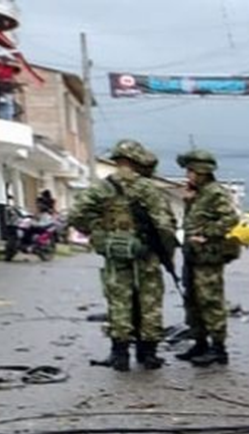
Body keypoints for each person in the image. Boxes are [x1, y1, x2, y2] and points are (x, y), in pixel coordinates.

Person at [66, 139, 178, 371]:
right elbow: (165, 225)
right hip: (146, 253)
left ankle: (120, 355)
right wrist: (166, 253)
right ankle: (148, 355)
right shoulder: (148, 188)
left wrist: (98, 231)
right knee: (149, 301)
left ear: (118, 161)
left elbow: (76, 215)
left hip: (115, 253)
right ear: (137, 161)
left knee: (119, 301)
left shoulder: (102, 187)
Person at [175, 149, 242, 367]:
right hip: (193, 256)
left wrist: (207, 233)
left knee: (210, 301)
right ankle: (200, 343)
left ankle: (218, 349)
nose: (188, 175)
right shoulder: (198, 194)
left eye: (191, 171)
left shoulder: (214, 192)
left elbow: (231, 218)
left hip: (208, 258)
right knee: (192, 301)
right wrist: (188, 202)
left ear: (202, 171)